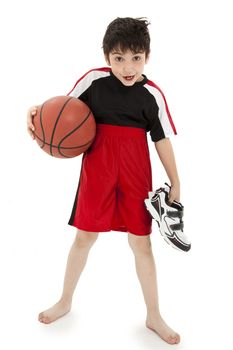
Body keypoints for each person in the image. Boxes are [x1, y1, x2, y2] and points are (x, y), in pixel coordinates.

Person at [27, 17, 181, 345]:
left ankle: (153, 314)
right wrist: (35, 112)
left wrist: (176, 183)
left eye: (136, 58)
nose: (128, 67)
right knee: (84, 237)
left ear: (148, 57)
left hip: (135, 171)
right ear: (106, 57)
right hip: (97, 168)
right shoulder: (93, 81)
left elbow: (162, 140)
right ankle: (65, 300)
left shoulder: (152, 94)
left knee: (142, 242)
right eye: (119, 58)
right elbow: (61, 111)